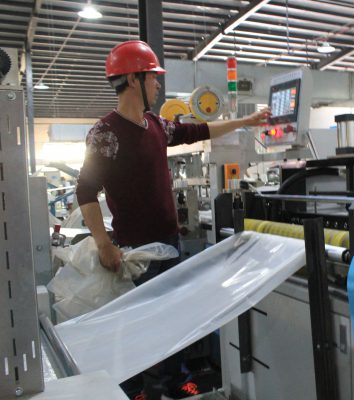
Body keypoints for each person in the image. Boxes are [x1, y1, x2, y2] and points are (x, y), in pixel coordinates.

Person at [75, 40, 270, 400]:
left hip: (169, 244)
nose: (158, 84)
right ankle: (138, 390)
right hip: (138, 252)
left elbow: (199, 131)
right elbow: (85, 190)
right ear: (133, 79)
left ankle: (176, 383)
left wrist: (246, 121)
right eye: (152, 77)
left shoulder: (155, 125)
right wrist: (103, 244)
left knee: (174, 318)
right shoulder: (105, 134)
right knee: (140, 325)